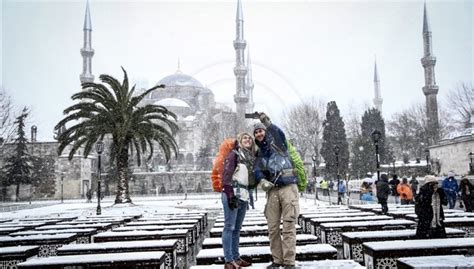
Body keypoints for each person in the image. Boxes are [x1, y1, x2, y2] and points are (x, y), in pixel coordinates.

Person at [253, 112, 299, 269]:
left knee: (288, 226)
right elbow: (257, 169)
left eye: (261, 131)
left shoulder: (277, 143)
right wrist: (261, 180)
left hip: (287, 187)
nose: (259, 134)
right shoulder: (260, 153)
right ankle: (277, 259)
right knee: (272, 228)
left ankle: (289, 261)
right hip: (272, 190)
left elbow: (279, 133)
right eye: (256, 132)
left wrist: (267, 122)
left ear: (265, 131)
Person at [221, 132, 256, 269]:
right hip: (233, 193)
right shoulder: (234, 154)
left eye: (249, 138)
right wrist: (229, 195)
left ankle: (236, 257)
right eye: (245, 138)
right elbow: (226, 175)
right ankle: (229, 260)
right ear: (240, 141)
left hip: (243, 195)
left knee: (237, 229)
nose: (248, 140)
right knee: (229, 227)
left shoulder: (250, 158)